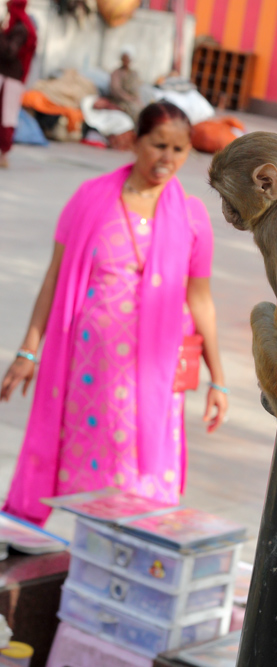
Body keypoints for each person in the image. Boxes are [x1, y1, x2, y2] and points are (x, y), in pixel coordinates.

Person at [0, 101, 228, 526]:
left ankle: (122, 555)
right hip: (88, 369)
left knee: (137, 481)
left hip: (153, 375)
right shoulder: (91, 200)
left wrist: (218, 379)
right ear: (135, 142)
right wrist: (29, 351)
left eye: (179, 150)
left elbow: (200, 300)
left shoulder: (192, 217)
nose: (167, 159)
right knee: (84, 465)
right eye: (158, 145)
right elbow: (54, 279)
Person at [0, 0, 37, 167]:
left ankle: (3, 154)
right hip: (8, 78)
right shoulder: (18, 26)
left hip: (11, 80)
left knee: (7, 117)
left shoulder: (21, 29)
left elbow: (9, 52)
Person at [108, 45, 142, 122]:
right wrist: (128, 98)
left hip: (133, 100)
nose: (126, 60)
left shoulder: (134, 73)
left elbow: (136, 90)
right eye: (124, 58)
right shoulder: (116, 73)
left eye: (128, 58)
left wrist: (136, 99)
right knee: (134, 111)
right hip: (121, 101)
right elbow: (116, 90)